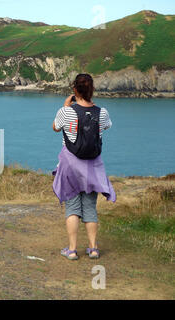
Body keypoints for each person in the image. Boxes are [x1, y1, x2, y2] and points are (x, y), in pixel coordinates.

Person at [52, 74, 116, 260]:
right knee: (89, 206)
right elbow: (107, 126)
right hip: (92, 167)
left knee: (72, 205)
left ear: (74, 90)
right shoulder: (101, 112)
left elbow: (55, 127)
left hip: (70, 165)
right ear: (91, 90)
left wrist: (66, 107)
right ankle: (93, 248)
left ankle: (72, 250)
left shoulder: (66, 111)